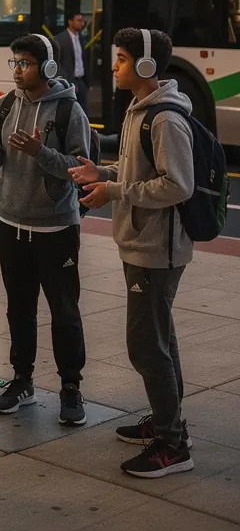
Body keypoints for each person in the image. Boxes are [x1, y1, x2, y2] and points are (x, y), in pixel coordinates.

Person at [71, 27, 195, 479]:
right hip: (141, 242)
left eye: (121, 58)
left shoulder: (164, 119)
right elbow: (136, 172)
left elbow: (177, 183)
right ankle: (168, 422)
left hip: (157, 249)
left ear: (145, 66)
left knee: (145, 346)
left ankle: (173, 445)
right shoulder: (137, 111)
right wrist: (101, 172)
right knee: (160, 338)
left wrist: (114, 190)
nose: (114, 65)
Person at [0, 32, 91, 427]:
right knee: (18, 308)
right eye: (15, 63)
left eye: (24, 63)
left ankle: (71, 388)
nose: (18, 71)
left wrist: (41, 152)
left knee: (64, 312)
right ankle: (22, 381)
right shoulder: (7, 104)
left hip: (54, 228)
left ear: (48, 67)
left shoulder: (68, 111)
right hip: (11, 222)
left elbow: (80, 168)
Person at [55, 13, 89, 111]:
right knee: (70, 109)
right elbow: (58, 61)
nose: (81, 23)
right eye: (78, 20)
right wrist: (65, 80)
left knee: (83, 109)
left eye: (82, 21)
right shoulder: (60, 38)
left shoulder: (81, 38)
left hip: (81, 81)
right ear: (70, 22)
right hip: (69, 80)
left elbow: (83, 60)